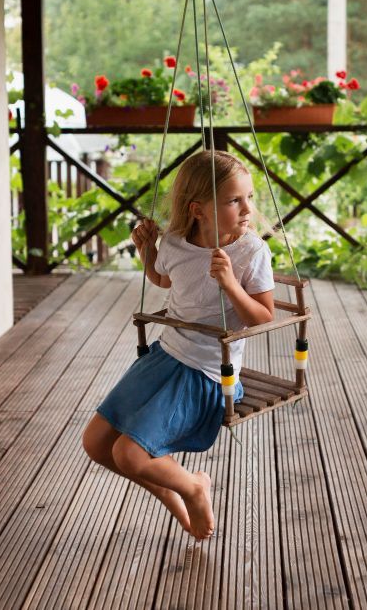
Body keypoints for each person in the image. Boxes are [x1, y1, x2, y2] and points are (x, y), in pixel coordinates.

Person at [81, 150, 275, 540]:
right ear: (198, 209)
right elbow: (164, 279)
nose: (247, 208)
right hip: (165, 357)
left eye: (249, 197)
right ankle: (175, 496)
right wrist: (146, 252)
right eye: (235, 200)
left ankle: (192, 487)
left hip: (206, 373)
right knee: (97, 444)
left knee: (128, 454)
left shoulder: (251, 251)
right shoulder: (176, 242)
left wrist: (232, 285)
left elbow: (263, 317)